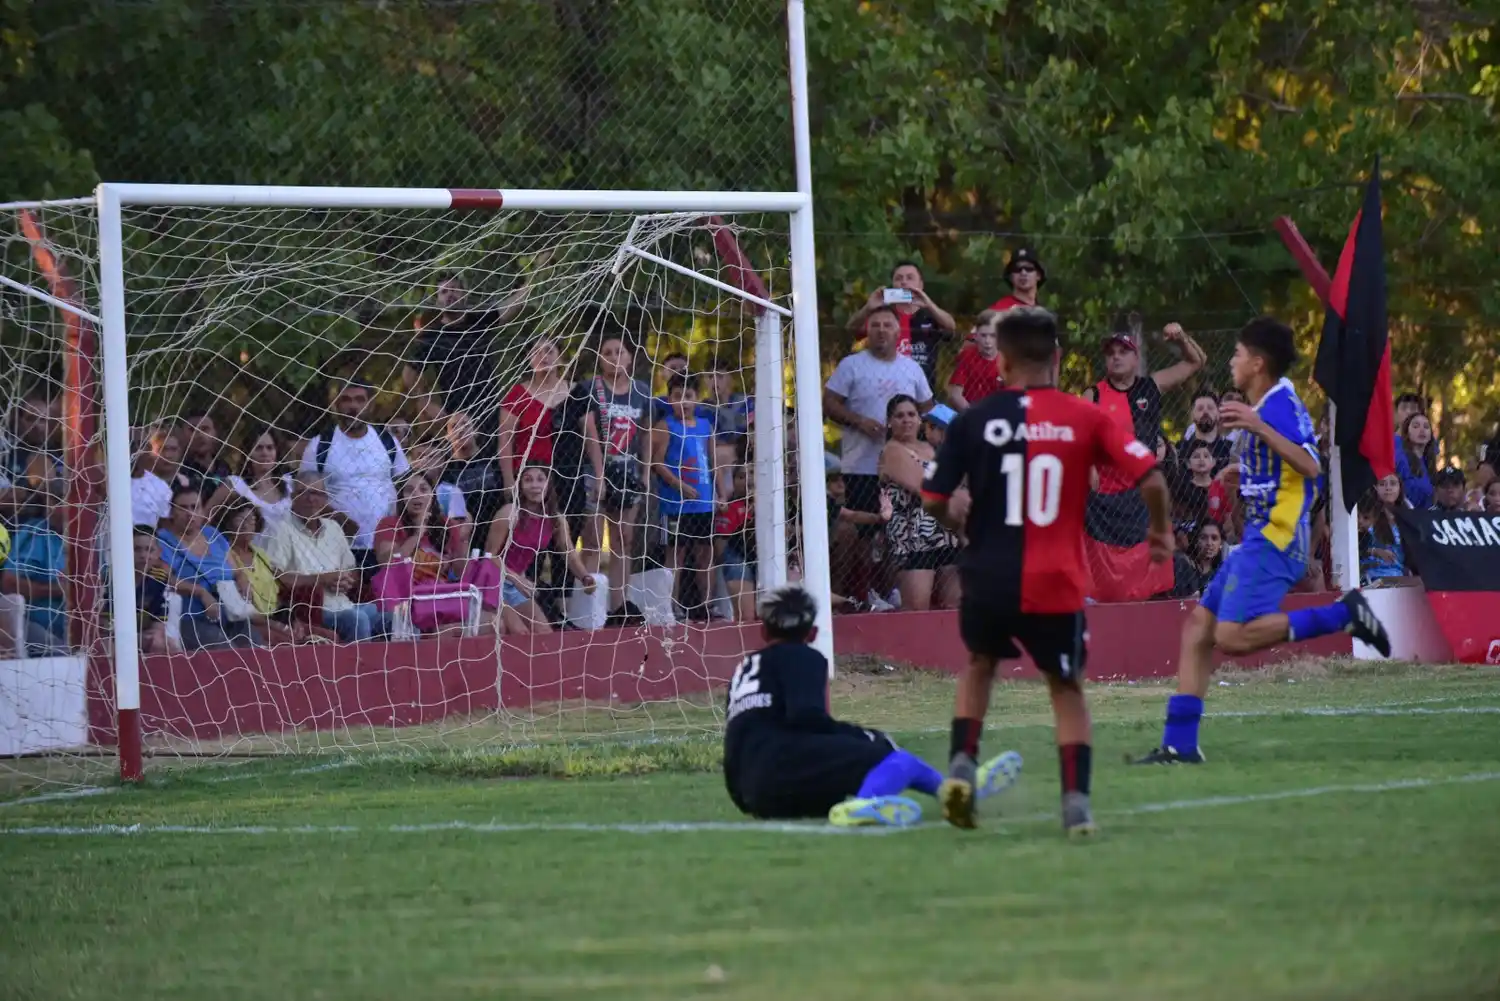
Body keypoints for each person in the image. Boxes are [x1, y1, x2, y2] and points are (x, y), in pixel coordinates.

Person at [921, 306, 1174, 836]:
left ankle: (963, 764)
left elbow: (934, 498)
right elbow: (1151, 477)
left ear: (1003, 361)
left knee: (980, 665)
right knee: (1065, 688)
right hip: (1056, 581)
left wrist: (954, 513)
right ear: (1056, 358)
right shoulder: (1087, 416)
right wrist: (1160, 532)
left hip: (988, 574)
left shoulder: (973, 420)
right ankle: (1076, 805)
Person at [1133, 317, 1391, 767]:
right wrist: (1242, 474)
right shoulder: (1262, 405)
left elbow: (1311, 467)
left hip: (1280, 539)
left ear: (1256, 362)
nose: (1231, 361)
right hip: (1258, 538)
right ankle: (1180, 744)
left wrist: (1257, 426)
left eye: (1236, 353)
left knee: (1229, 637)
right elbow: (1280, 467)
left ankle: (1343, 613)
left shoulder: (1279, 405)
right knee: (1198, 630)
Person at [722, 584, 1022, 827]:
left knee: (866, 765)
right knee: (896, 759)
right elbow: (807, 717)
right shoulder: (804, 657)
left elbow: (736, 737)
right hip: (782, 771)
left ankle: (951, 791)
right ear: (812, 633)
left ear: (764, 631)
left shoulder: (743, 669)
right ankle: (868, 805)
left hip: (750, 792)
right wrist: (861, 735)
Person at [879, 395, 960, 611]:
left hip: (947, 533)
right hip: (913, 538)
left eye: (911, 414)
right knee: (918, 610)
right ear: (889, 421)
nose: (906, 420)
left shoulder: (930, 447)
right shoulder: (892, 450)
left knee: (954, 606)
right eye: (899, 415)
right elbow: (923, 486)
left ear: (919, 419)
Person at [651, 375, 718, 621]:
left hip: (703, 502)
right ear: (670, 399)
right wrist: (678, 485)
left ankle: (707, 605)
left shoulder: (705, 426)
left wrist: (719, 492)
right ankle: (672, 606)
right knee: (675, 554)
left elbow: (711, 462)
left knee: (705, 553)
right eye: (677, 397)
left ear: (697, 399)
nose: (683, 402)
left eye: (688, 396)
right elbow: (656, 463)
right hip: (674, 504)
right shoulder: (665, 426)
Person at [947, 310, 1004, 412]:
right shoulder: (967, 356)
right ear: (976, 335)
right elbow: (955, 395)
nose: (987, 341)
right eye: (983, 335)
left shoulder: (1008, 360)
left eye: (992, 336)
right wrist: (974, 416)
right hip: (969, 412)